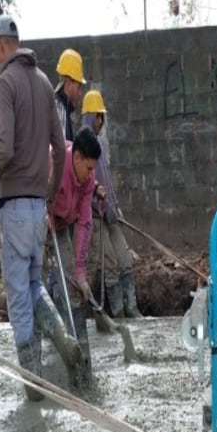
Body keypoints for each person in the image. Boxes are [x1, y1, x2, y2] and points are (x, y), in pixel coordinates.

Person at [0, 15, 84, 402]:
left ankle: (33, 386)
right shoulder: (41, 84)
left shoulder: (6, 81)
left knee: (18, 297)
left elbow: (3, 148)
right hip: (37, 211)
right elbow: (60, 148)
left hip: (13, 208)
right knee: (34, 286)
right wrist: (50, 197)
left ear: (1, 46)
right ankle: (63, 340)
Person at [82, 90, 143, 319]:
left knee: (124, 259)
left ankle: (132, 308)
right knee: (110, 264)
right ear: (93, 116)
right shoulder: (83, 144)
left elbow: (107, 177)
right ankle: (118, 313)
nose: (101, 121)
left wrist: (114, 204)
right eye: (99, 116)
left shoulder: (100, 143)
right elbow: (85, 181)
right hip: (94, 216)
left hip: (108, 211)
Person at [49, 127, 102, 385]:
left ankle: (82, 365)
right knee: (37, 285)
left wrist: (80, 274)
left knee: (71, 287)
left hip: (62, 224)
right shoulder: (54, 163)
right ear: (77, 157)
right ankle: (48, 342)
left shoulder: (87, 181)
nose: (91, 175)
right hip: (39, 218)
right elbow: (36, 190)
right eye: (89, 168)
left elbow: (84, 224)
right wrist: (43, 212)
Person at [54, 48, 86, 141]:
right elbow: (62, 152)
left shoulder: (59, 108)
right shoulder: (59, 110)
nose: (80, 93)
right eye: (79, 87)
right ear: (68, 83)